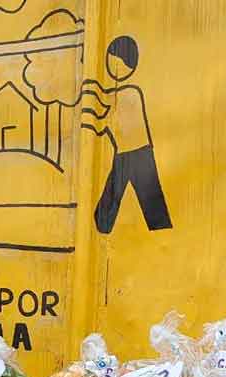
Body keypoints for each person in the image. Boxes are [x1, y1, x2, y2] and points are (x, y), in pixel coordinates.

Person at [81, 35, 173, 234]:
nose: (114, 68)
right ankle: (103, 225)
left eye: (118, 63)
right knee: (129, 197)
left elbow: (105, 119)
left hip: (136, 152)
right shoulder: (119, 93)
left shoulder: (127, 92)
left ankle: (104, 226)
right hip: (129, 152)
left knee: (146, 199)